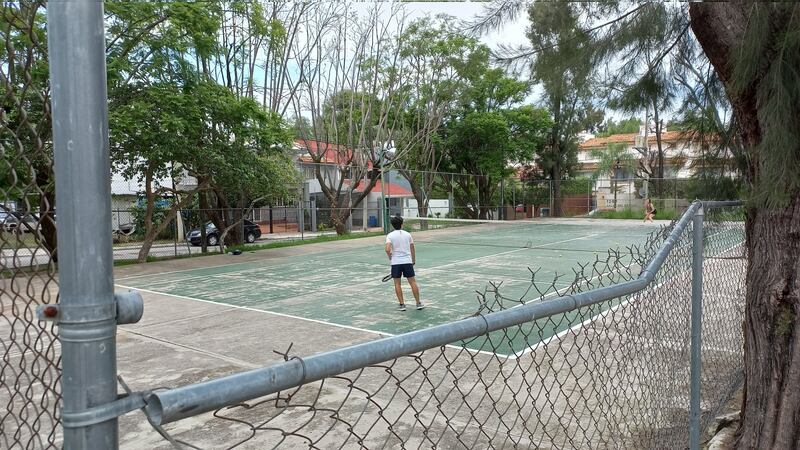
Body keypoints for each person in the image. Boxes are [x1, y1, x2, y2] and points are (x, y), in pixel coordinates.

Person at [385, 215, 424, 311]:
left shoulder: (390, 236)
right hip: (407, 262)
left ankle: (402, 305)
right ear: (402, 224)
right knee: (413, 282)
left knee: (397, 284)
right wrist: (413, 260)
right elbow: (412, 248)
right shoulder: (408, 234)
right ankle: (418, 303)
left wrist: (391, 257)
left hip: (396, 263)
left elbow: (387, 249)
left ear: (392, 225)